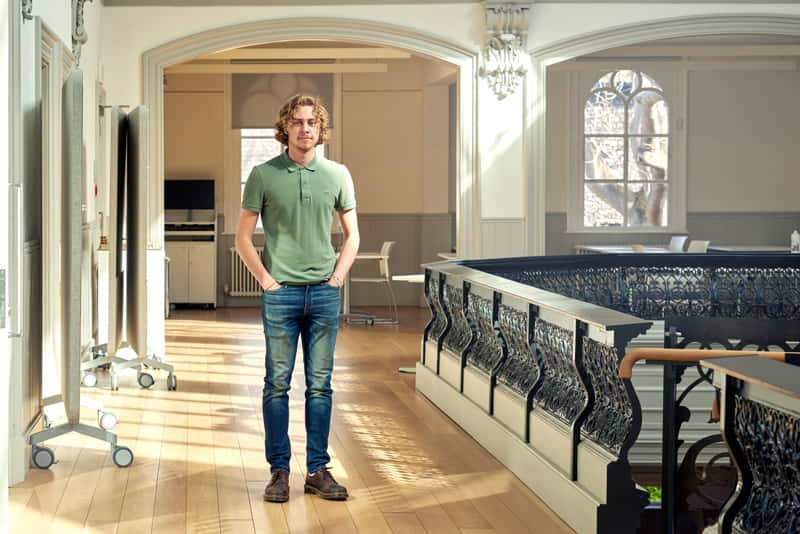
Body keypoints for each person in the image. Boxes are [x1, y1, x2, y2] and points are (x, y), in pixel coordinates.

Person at [236, 94, 359, 503]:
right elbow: (243, 238)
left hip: (324, 295)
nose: (305, 128)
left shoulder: (338, 173)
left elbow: (352, 234)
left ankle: (318, 470)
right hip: (281, 295)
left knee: (320, 386)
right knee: (276, 385)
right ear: (285, 128)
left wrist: (337, 278)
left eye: (312, 122)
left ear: (320, 129)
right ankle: (279, 471)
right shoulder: (263, 175)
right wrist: (268, 282)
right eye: (298, 122)